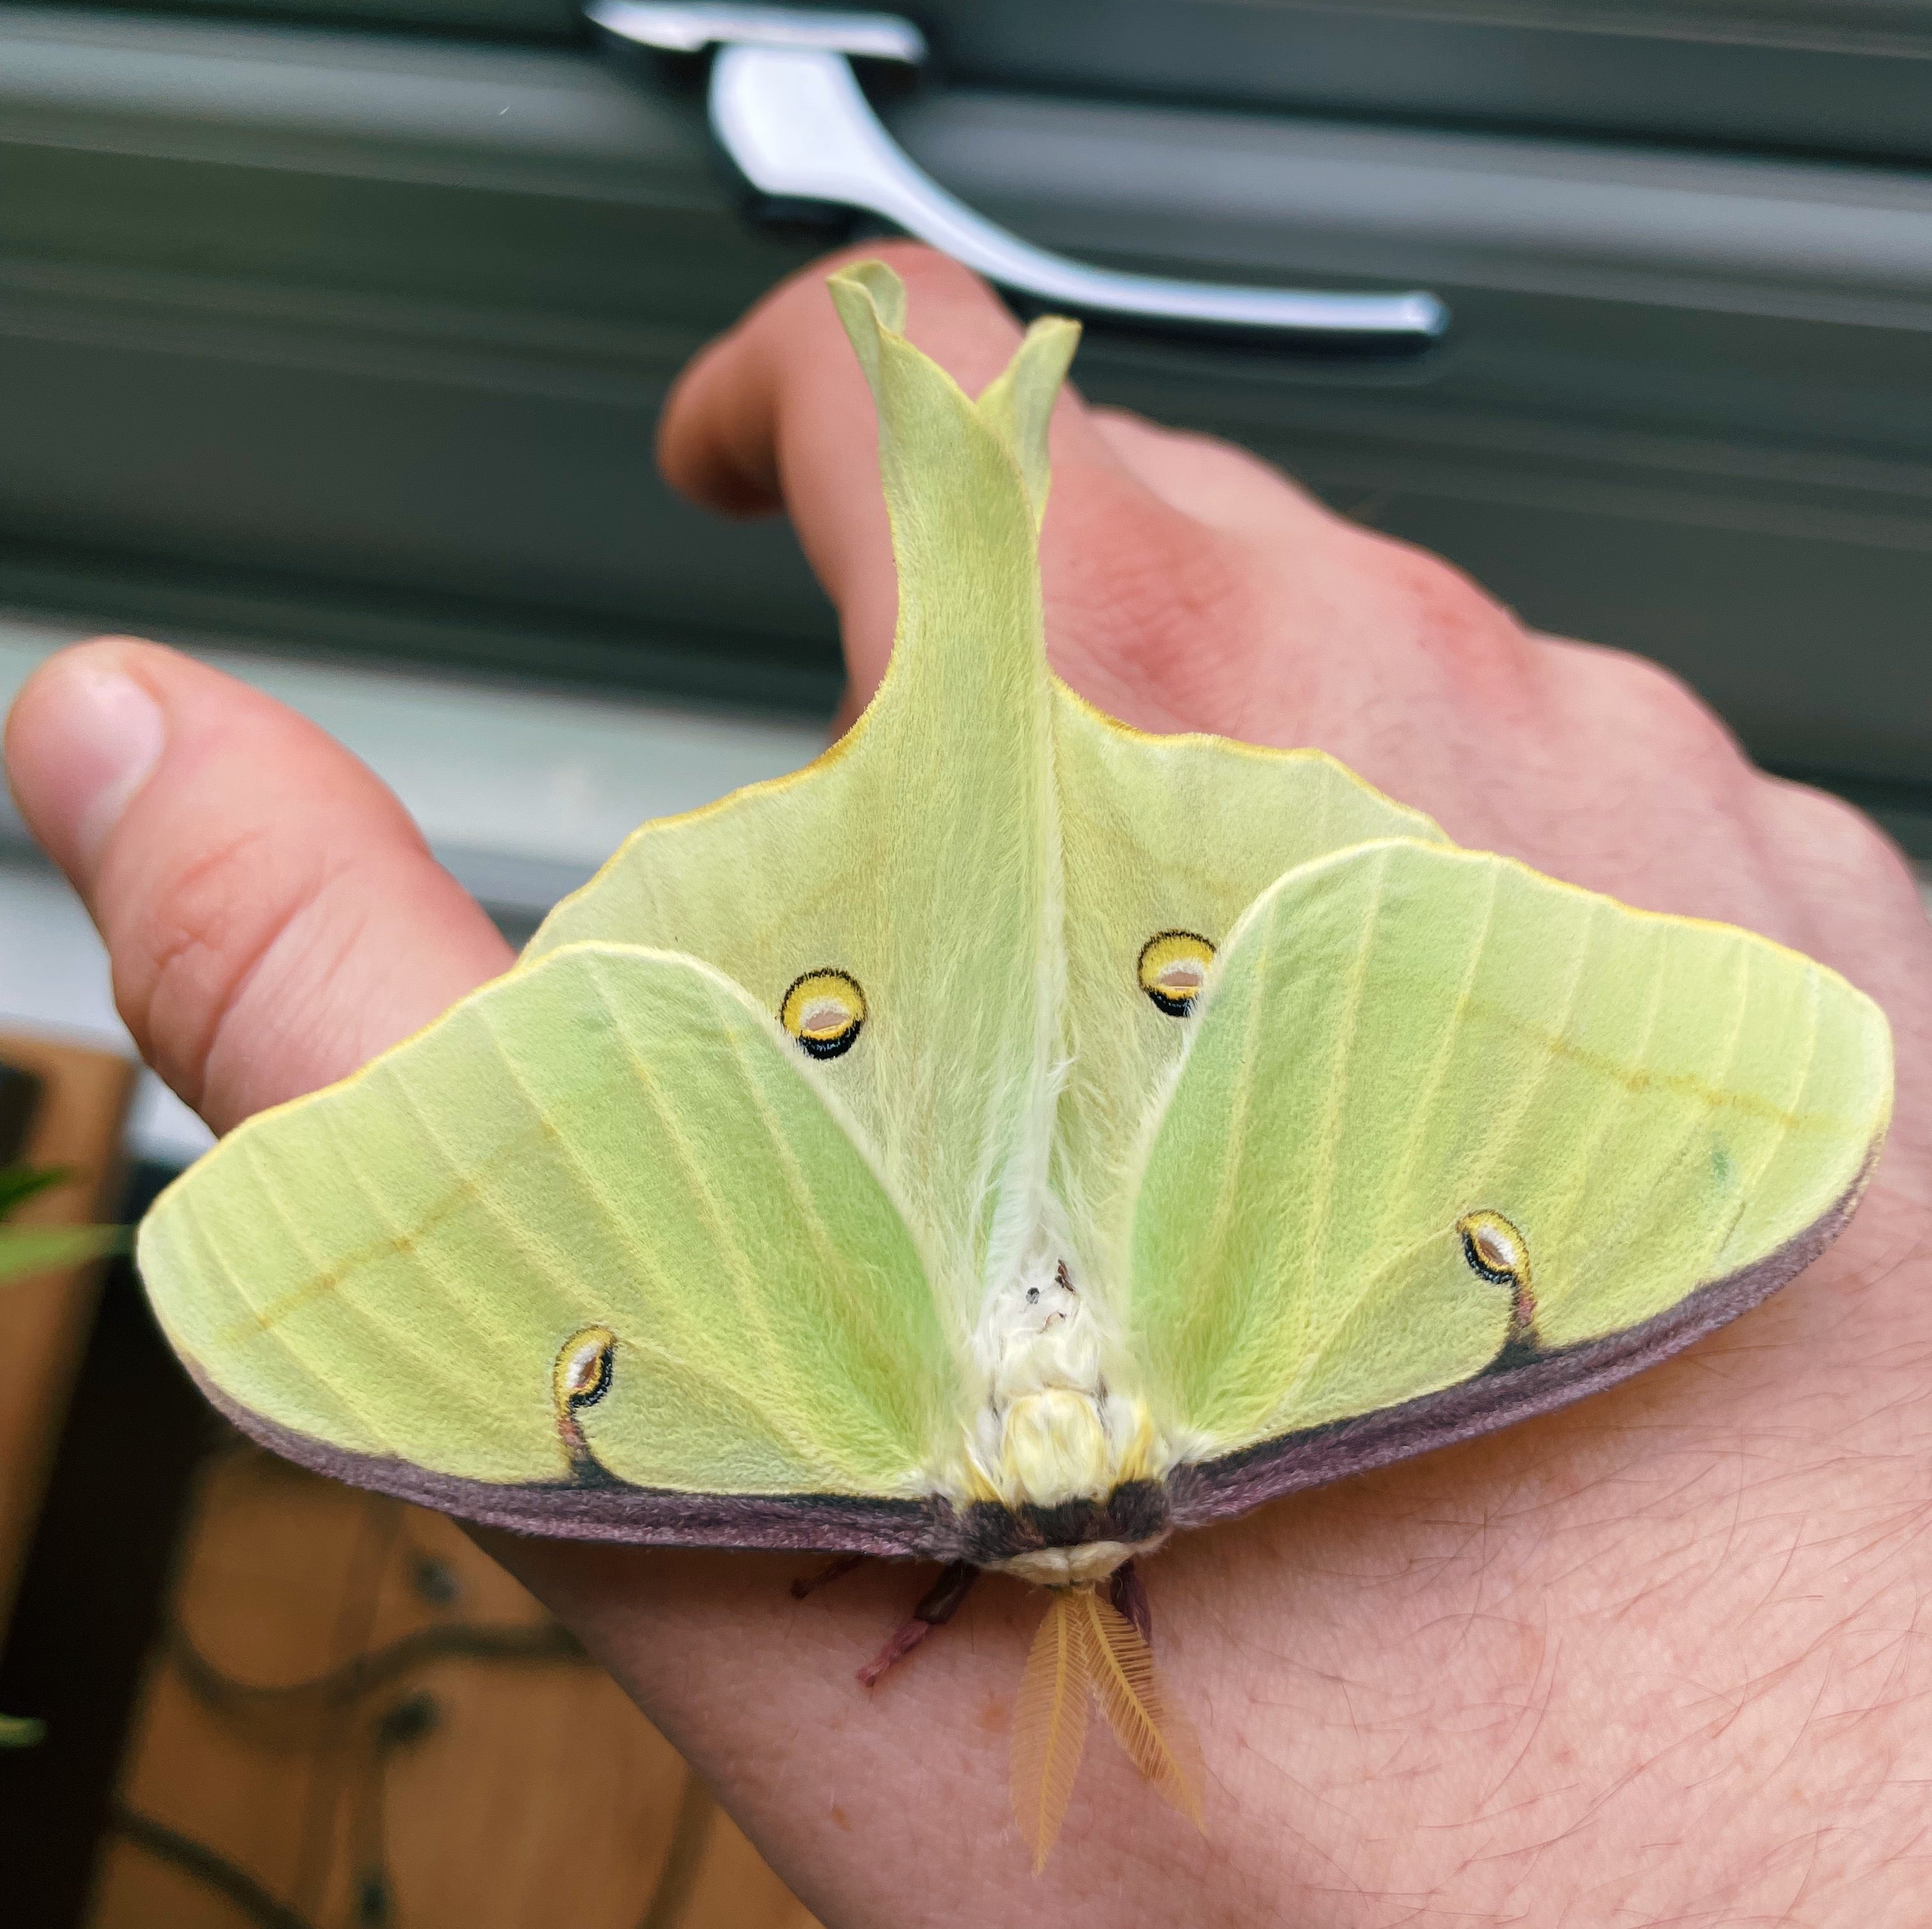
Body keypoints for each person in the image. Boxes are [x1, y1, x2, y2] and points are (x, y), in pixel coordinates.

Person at [8, 243, 1929, 1923]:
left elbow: (334, 1287)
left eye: (994, 1548)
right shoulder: (1291, 1384)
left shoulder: (850, 1445)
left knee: (975, 668)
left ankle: (975, 455)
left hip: (871, 1036)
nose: (1057, 1516)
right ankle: (974, 464)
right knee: (984, 654)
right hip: (1122, 997)